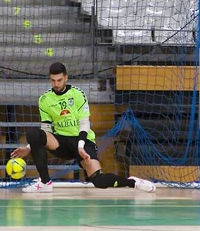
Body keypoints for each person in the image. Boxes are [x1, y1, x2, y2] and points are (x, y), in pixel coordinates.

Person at [11, 62, 156, 193]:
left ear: (66, 78)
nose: (56, 84)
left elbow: (84, 123)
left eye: (59, 80)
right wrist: (29, 148)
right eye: (53, 80)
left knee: (99, 181)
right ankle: (45, 182)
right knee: (34, 134)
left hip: (82, 141)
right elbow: (46, 130)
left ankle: (133, 183)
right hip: (61, 142)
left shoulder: (78, 94)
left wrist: (80, 146)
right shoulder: (44, 99)